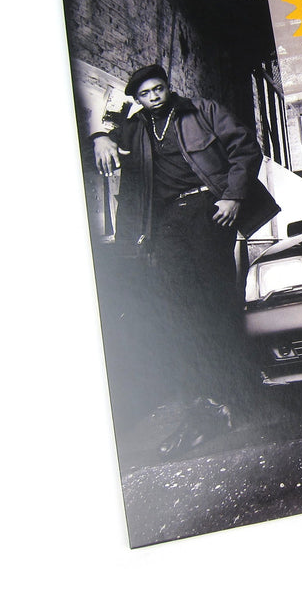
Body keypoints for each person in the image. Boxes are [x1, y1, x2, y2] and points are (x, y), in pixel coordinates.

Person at [92, 63, 277, 456]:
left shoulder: (202, 110)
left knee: (216, 304)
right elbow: (101, 133)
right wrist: (99, 138)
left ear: (168, 86)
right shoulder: (136, 127)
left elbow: (246, 148)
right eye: (145, 94)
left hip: (208, 211)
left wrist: (233, 196)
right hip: (165, 224)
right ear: (137, 99)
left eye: (158, 89)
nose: (154, 97)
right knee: (181, 312)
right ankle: (211, 403)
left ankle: (239, 395)